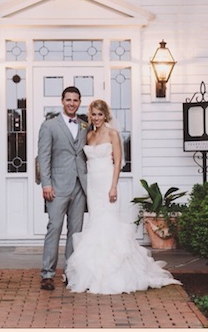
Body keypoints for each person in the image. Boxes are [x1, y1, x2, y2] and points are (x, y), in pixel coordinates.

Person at [65, 99, 181, 294]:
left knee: (109, 221)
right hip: (92, 184)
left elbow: (118, 162)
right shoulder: (89, 135)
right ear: (90, 115)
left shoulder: (112, 133)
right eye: (94, 114)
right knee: (95, 222)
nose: (97, 118)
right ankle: (93, 271)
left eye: (100, 114)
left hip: (107, 182)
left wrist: (113, 187)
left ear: (106, 115)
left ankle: (112, 271)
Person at [37, 86, 88, 291]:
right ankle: (47, 274)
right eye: (68, 100)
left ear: (79, 102)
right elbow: (44, 157)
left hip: (80, 186)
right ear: (62, 101)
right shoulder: (49, 126)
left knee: (75, 232)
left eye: (75, 100)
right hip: (57, 186)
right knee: (55, 227)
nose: (71, 103)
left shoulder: (85, 125)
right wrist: (46, 183)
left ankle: (71, 272)